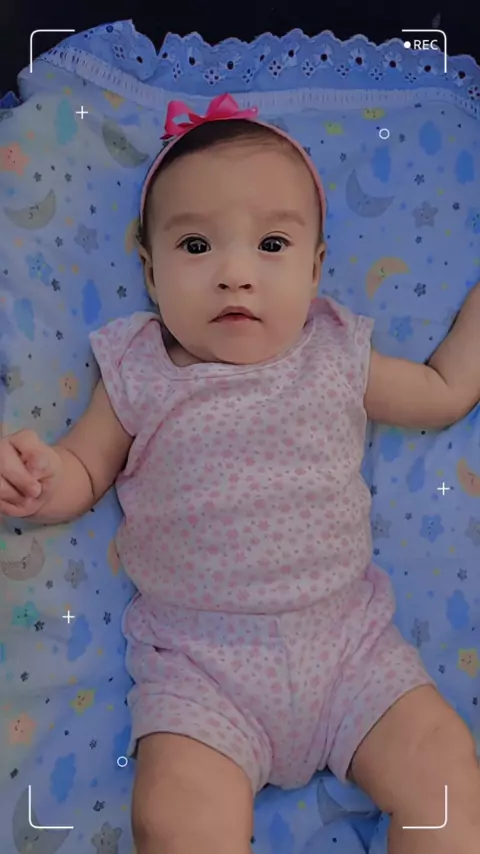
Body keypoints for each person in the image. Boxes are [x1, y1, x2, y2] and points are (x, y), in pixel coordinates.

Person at [0, 94, 479, 854]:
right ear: (151, 273)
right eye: (196, 246)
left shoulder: (336, 351)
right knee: (175, 819)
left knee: (445, 772)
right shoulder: (137, 370)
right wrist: (37, 476)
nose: (234, 275)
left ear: (316, 268)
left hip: (350, 650)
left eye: (272, 244)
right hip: (202, 671)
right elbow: (82, 470)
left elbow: (443, 390)